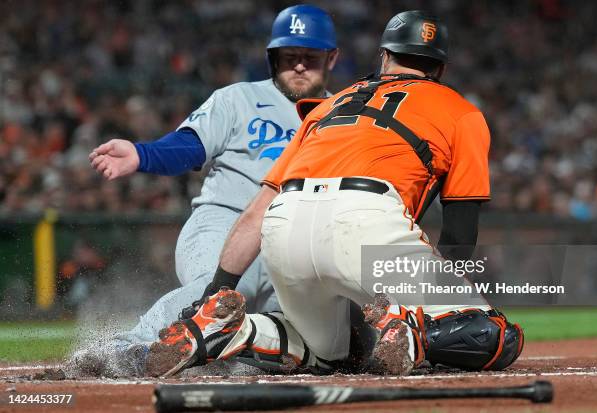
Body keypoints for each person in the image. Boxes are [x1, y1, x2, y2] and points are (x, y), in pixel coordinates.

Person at [145, 10, 524, 378]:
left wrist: (217, 292)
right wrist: (443, 299)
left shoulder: (325, 108)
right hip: (366, 220)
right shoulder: (462, 113)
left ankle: (230, 331)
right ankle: (413, 330)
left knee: (325, 353)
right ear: (440, 68)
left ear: (385, 56)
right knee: (496, 335)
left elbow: (256, 212)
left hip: (285, 221)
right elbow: (459, 233)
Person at [79, 4, 339, 376]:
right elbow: (189, 147)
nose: (298, 65)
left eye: (309, 58)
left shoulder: (343, 115)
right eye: (289, 56)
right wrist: (142, 153)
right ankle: (127, 348)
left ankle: (227, 359)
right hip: (225, 223)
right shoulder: (238, 99)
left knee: (308, 334)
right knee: (225, 292)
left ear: (331, 58)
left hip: (294, 244)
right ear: (273, 58)